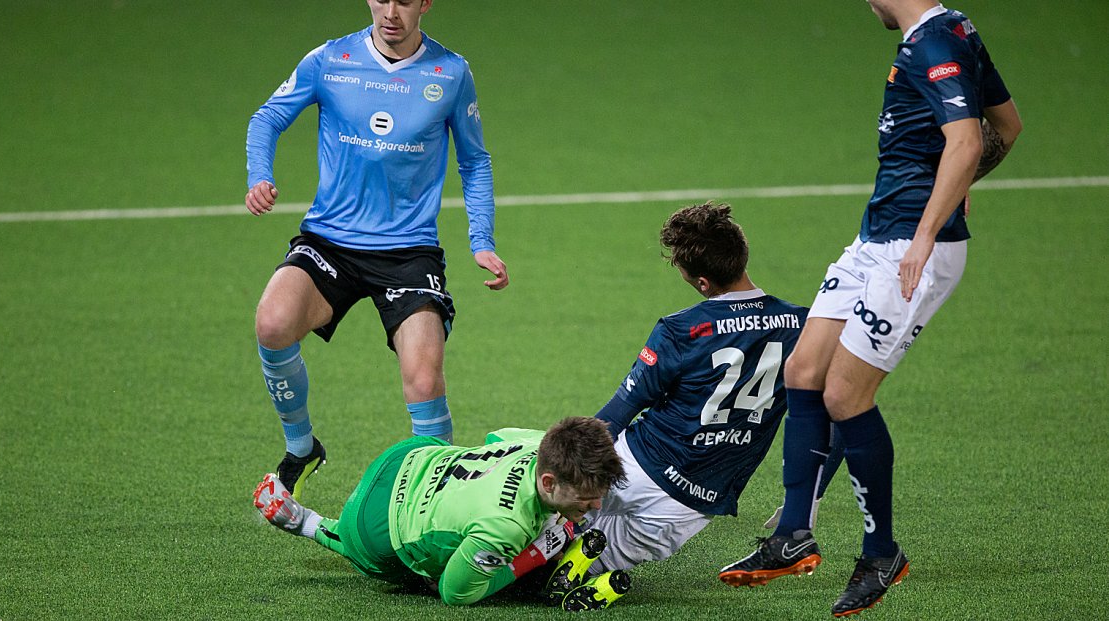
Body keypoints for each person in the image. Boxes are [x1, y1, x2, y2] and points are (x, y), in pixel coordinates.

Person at [718, 2, 1021, 617]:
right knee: (803, 372)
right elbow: (1008, 127)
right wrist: (949, 197)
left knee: (845, 397)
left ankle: (881, 553)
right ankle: (791, 535)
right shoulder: (952, 27)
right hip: (876, 238)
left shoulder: (933, 44)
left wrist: (931, 228)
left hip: (909, 250)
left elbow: (968, 139)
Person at [244, 0, 509, 501]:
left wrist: (482, 241)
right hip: (330, 242)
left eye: (405, 0)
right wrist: (261, 174)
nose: (391, 11)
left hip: (409, 252)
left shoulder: (450, 73)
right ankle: (301, 448)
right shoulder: (330, 60)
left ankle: (432, 502)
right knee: (272, 323)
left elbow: (475, 162)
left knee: (424, 381)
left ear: (425, 3)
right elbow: (268, 117)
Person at [509, 202, 807, 581]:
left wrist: (558, 460)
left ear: (702, 283)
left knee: (528, 530)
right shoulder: (804, 326)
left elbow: (617, 414)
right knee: (555, 574)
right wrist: (804, 503)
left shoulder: (680, 330)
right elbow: (834, 420)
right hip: (684, 506)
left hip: (630, 463)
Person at [252, 417, 628, 608]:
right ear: (548, 482)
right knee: (407, 570)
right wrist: (535, 554)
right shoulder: (506, 525)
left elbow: (497, 437)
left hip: (407, 455)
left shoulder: (541, 443)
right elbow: (455, 594)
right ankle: (307, 522)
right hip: (373, 524)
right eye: (586, 498)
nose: (595, 507)